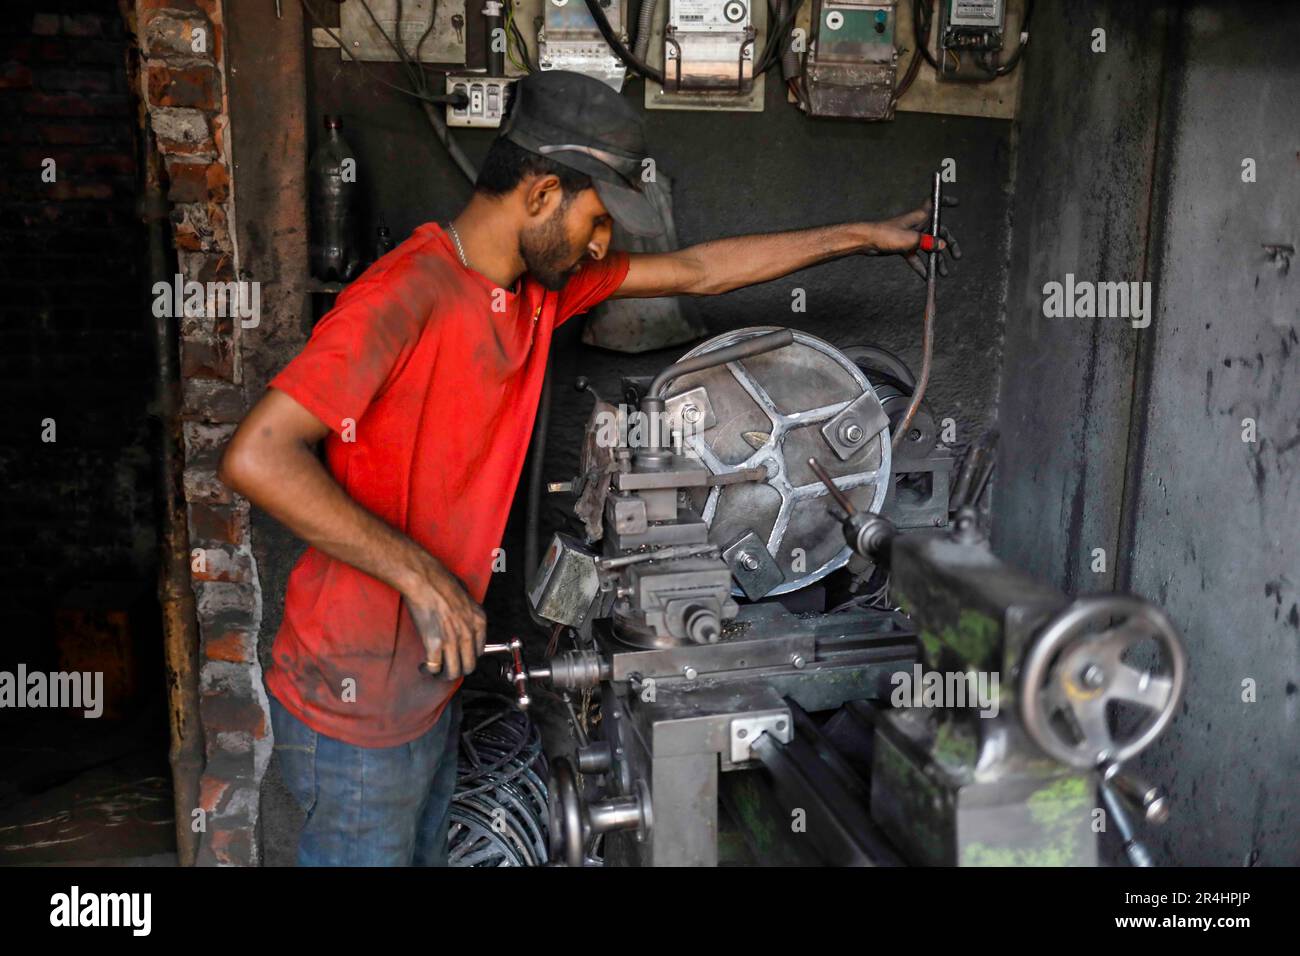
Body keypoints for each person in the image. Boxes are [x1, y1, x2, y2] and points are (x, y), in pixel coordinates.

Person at [218, 69, 958, 866]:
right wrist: (424, 578)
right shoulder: (404, 294)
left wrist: (863, 237)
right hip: (351, 704)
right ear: (540, 195)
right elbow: (257, 454)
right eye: (597, 217)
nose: (603, 243)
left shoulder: (535, 293)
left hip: (426, 686)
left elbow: (700, 270)